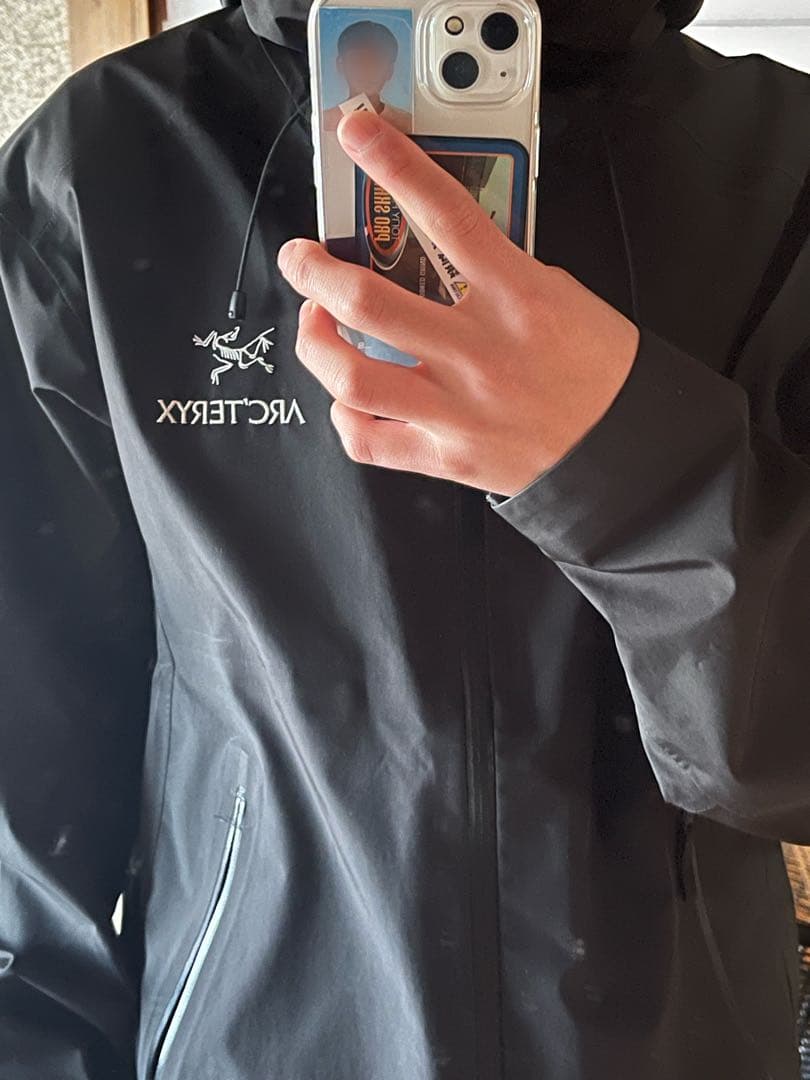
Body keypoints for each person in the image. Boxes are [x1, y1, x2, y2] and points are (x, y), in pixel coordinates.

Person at [0, 1, 808, 1077]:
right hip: (253, 1040)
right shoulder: (104, 160)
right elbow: (28, 742)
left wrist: (628, 465)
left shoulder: (784, 163)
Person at [322, 18, 412, 132]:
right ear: (341, 65)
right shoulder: (324, 122)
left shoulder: (407, 123)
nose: (368, 70)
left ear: (390, 70)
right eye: (358, 60)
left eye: (377, 62)